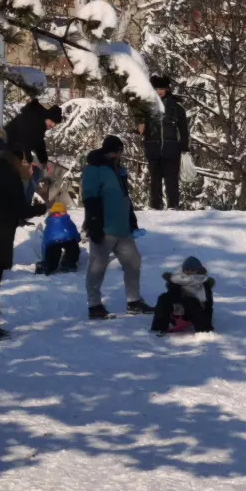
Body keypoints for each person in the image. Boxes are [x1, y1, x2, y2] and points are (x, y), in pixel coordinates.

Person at [83, 136, 149, 320]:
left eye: (119, 152)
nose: (117, 155)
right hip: (104, 228)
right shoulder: (94, 169)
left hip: (122, 229)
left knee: (133, 262)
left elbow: (124, 197)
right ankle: (94, 305)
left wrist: (131, 219)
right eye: (115, 152)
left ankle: (134, 301)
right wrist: (93, 222)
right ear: (107, 151)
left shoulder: (118, 170)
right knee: (97, 268)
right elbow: (89, 197)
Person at [0, 146, 46, 339]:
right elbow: (20, 209)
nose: (25, 165)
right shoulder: (10, 176)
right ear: (16, 161)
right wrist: (40, 209)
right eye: (23, 161)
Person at [139, 76, 190, 210]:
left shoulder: (176, 105)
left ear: (167, 89)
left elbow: (183, 128)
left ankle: (173, 206)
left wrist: (184, 146)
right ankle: (156, 206)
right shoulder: (146, 105)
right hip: (153, 147)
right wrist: (139, 128)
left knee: (171, 180)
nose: (159, 91)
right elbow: (140, 124)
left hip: (171, 148)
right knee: (155, 180)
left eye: (162, 88)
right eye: (156, 89)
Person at [5, 97, 61, 200]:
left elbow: (39, 144)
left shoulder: (38, 123)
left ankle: (24, 202)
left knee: (33, 175)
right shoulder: (33, 121)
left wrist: (44, 160)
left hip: (14, 151)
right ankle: (22, 203)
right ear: (47, 117)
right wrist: (28, 162)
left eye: (55, 123)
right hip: (9, 150)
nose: (53, 125)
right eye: (52, 122)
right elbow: (25, 142)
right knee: (26, 178)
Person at [152, 256, 215, 335]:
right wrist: (172, 284)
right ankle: (159, 327)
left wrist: (207, 325)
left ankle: (202, 331)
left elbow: (208, 305)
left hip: (195, 311)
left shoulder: (203, 283)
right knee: (163, 297)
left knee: (190, 301)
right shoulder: (178, 278)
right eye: (186, 269)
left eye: (192, 270)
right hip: (177, 308)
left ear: (197, 271)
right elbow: (170, 295)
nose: (189, 272)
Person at [37, 200, 81, 275]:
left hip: (53, 241)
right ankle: (68, 263)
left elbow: (45, 241)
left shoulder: (49, 222)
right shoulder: (67, 219)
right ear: (64, 211)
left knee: (52, 250)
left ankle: (49, 265)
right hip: (68, 239)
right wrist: (77, 239)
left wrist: (44, 259)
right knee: (73, 247)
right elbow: (74, 231)